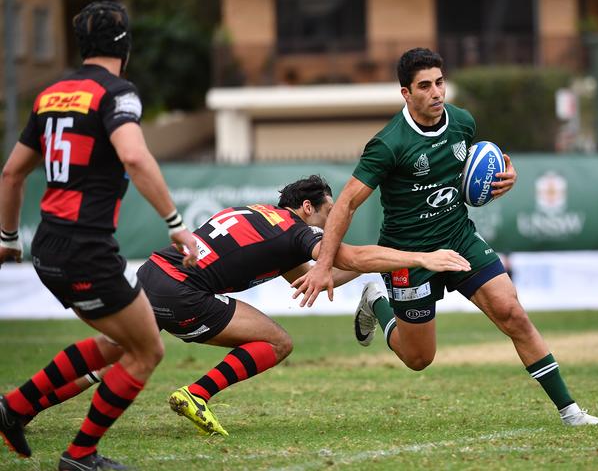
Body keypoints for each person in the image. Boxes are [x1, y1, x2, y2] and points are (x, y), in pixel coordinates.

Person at [292, 48, 598, 427]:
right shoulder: (389, 143)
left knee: (514, 315)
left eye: (439, 82)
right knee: (419, 358)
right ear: (406, 93)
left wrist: (507, 178)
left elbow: (479, 171)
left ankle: (570, 412)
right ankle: (377, 300)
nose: (436, 93)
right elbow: (344, 204)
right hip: (409, 255)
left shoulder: (462, 123)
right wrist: (324, 264)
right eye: (424, 86)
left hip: (459, 239)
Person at [16, 175, 472, 437]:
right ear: (309, 209)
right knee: (277, 341)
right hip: (183, 290)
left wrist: (371, 274)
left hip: (154, 275)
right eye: (332, 213)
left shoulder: (264, 217)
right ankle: (197, 393)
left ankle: (17, 408)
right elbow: (345, 255)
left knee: (108, 355)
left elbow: (321, 274)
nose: (337, 221)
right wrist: (420, 257)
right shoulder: (296, 232)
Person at [0, 1, 198, 470]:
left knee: (120, 342)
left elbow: (11, 173)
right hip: (85, 248)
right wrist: (176, 225)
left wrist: (8, 237)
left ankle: (15, 407)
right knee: (148, 350)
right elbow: (133, 156)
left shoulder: (50, 93)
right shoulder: (118, 92)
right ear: (124, 46)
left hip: (50, 244)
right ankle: (80, 455)